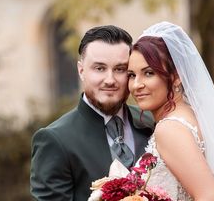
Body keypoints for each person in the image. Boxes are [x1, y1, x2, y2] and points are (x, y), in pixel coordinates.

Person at [127, 21, 214, 201]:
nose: (136, 85)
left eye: (149, 73)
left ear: (176, 76)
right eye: (131, 75)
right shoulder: (191, 115)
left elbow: (211, 197)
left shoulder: (169, 129)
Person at [31, 25, 153, 201]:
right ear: (81, 71)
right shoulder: (54, 140)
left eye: (120, 69)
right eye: (100, 68)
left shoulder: (154, 123)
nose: (110, 80)